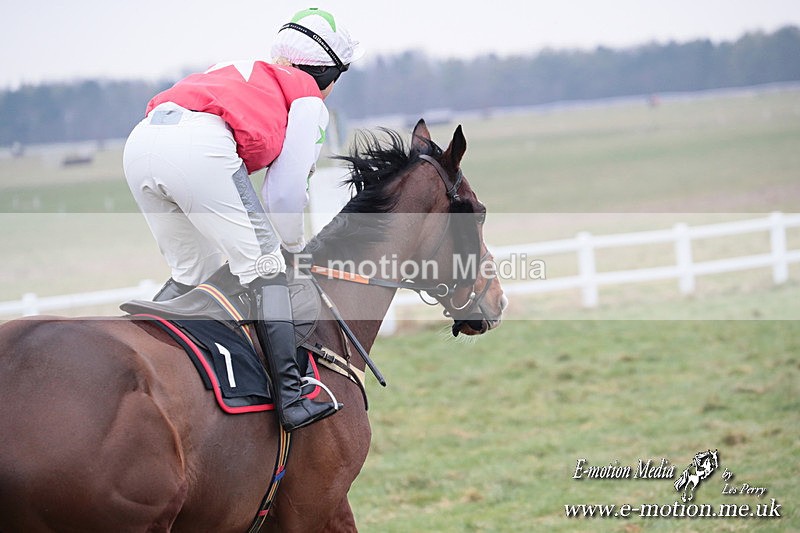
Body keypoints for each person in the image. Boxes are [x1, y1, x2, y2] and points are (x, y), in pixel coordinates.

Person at [122, 7, 363, 431]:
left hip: (140, 143)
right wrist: (288, 250)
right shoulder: (308, 98)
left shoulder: (237, 69)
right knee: (266, 267)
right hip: (198, 148)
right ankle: (292, 396)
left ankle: (129, 356)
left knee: (193, 273)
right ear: (331, 75)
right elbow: (284, 194)